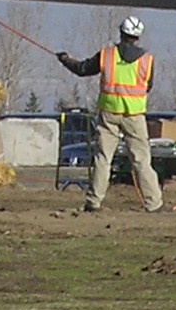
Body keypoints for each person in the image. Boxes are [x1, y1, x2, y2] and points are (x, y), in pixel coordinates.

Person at [56, 17, 168, 213]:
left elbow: (82, 69)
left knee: (103, 158)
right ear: (138, 36)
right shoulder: (147, 60)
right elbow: (148, 86)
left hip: (108, 113)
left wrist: (65, 60)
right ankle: (154, 203)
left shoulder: (106, 55)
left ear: (121, 33)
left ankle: (93, 202)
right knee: (141, 160)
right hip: (134, 115)